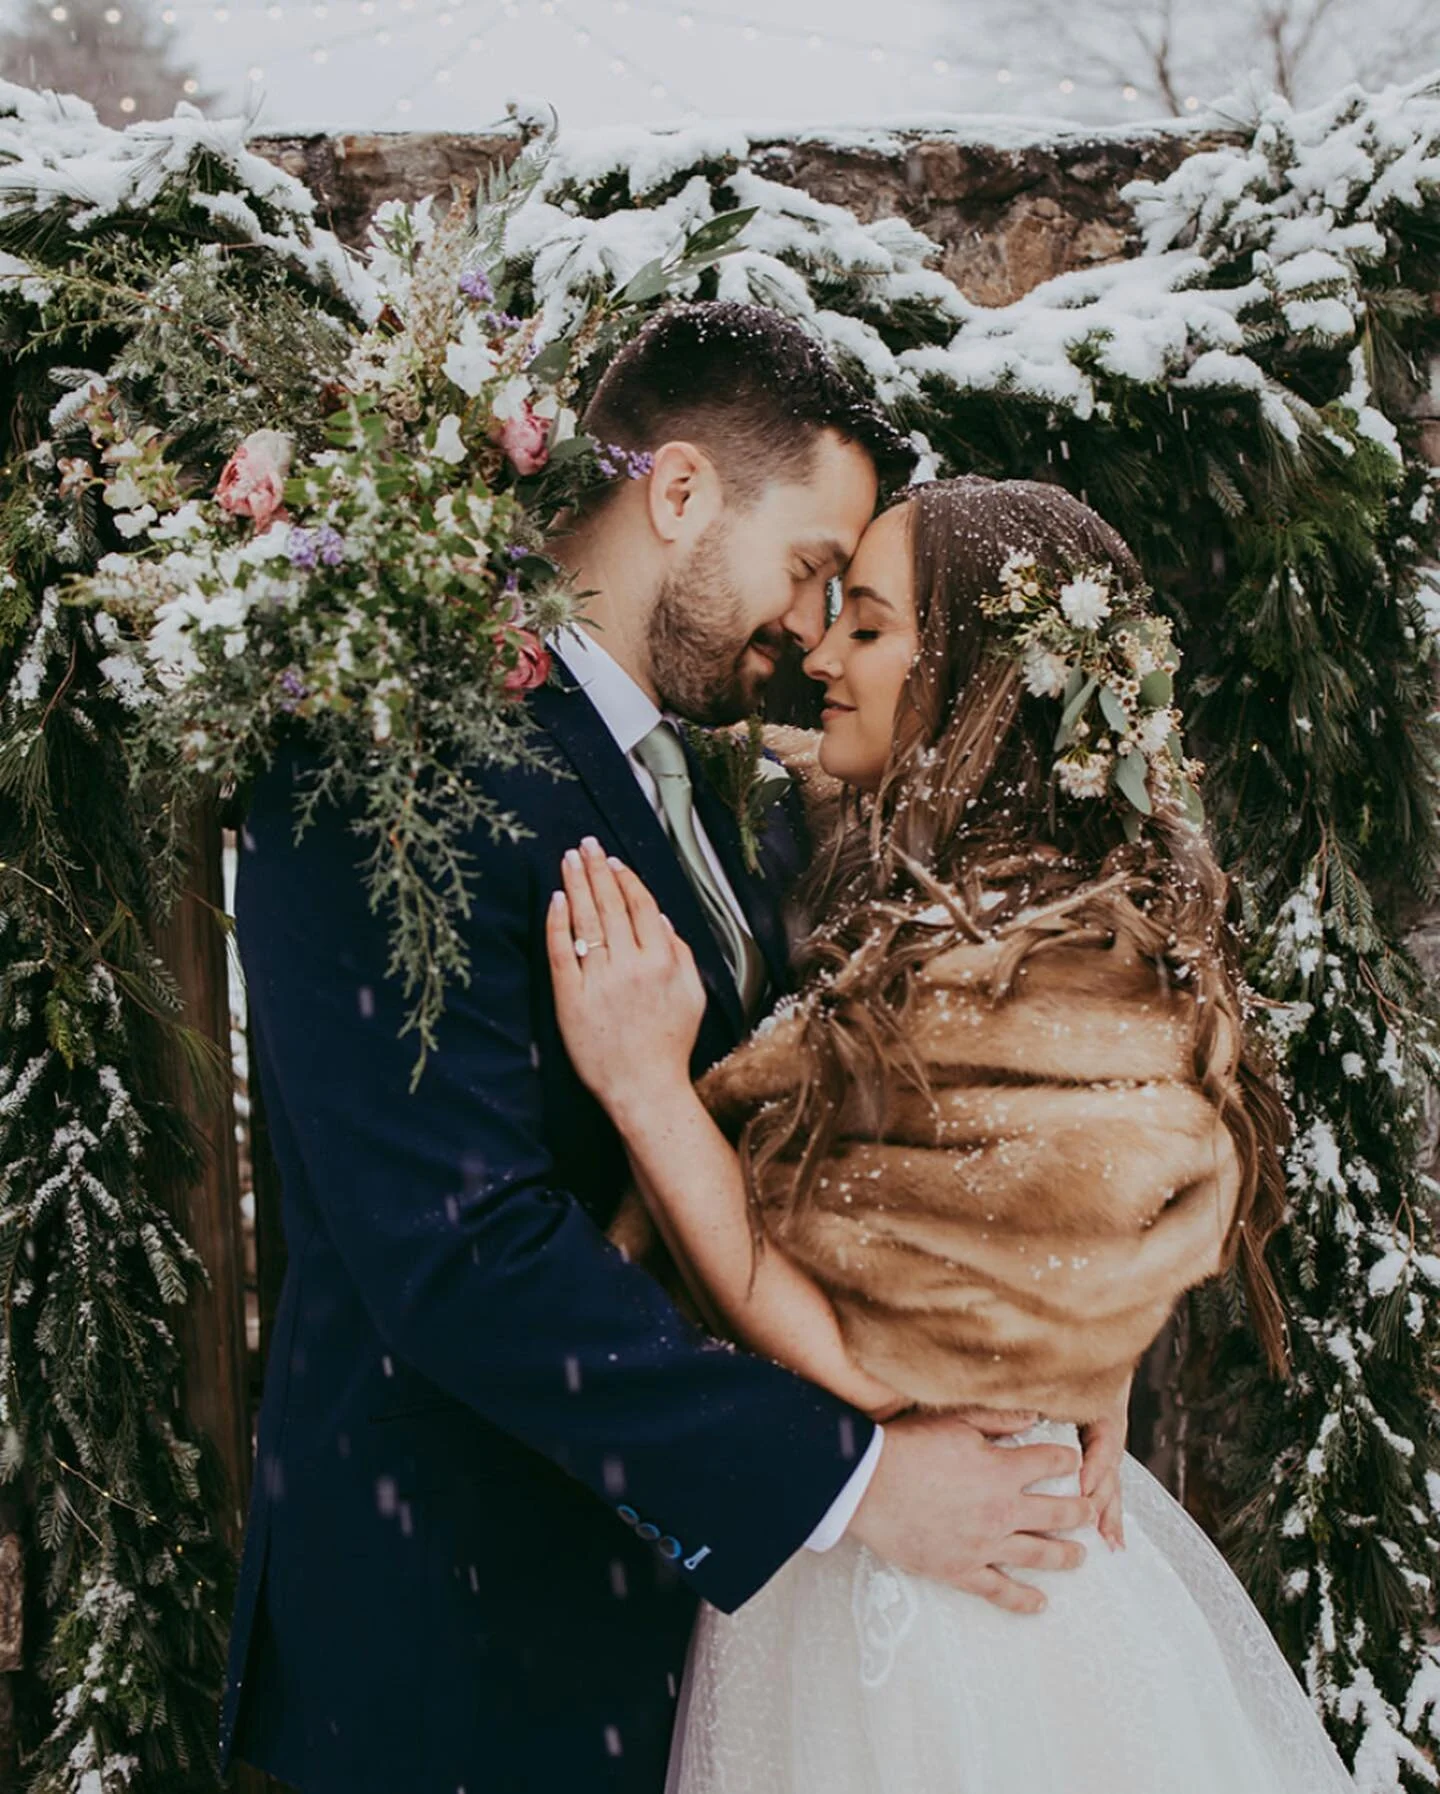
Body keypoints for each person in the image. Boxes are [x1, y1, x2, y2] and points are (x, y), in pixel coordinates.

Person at [220, 311, 1104, 1794]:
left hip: (678, 1637)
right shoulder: (383, 746)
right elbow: (460, 1252)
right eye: (816, 569)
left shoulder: (723, 781)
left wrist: (1047, 1326)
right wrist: (856, 1483)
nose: (820, 632)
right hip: (467, 1623)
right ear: (678, 493)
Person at [546, 476, 1360, 1794]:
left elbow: (876, 1353)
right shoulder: (997, 914)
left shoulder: (1026, 976)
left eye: (865, 625)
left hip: (952, 1616)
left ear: (975, 675)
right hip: (921, 1560)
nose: (816, 652)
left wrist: (646, 1091)